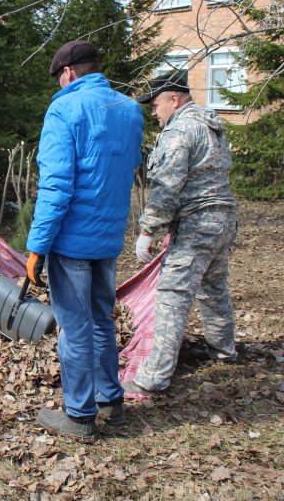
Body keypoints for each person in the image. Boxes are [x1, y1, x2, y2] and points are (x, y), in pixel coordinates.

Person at [26, 41, 144, 441]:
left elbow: (56, 185)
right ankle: (111, 399)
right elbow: (129, 166)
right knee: (101, 321)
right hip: (108, 239)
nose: (59, 83)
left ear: (70, 73)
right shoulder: (130, 110)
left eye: (59, 76)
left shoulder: (65, 109)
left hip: (73, 243)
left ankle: (79, 416)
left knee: (74, 329)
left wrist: (38, 246)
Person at [123, 71, 237, 396]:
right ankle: (223, 350)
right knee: (214, 288)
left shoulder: (180, 130)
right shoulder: (210, 124)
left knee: (172, 295)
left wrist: (148, 230)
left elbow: (167, 188)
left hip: (197, 224)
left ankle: (153, 377)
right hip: (223, 219)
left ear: (174, 99)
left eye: (156, 105)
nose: (153, 113)